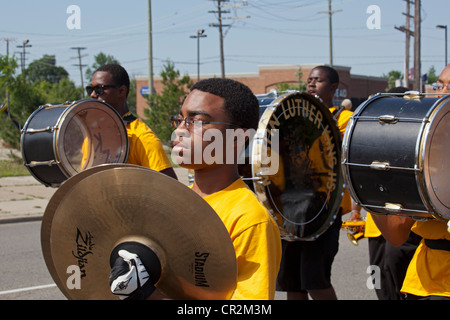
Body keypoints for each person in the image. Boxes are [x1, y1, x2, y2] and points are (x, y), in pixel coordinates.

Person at [109, 78, 282, 300]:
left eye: (196, 121)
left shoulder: (250, 219)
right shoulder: (176, 203)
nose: (180, 131)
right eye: (180, 119)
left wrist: (149, 296)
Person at [371, 65, 450, 300]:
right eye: (439, 86)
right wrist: (371, 185)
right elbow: (397, 234)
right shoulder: (421, 151)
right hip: (426, 282)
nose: (441, 93)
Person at [276, 65, 351, 300]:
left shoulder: (344, 118)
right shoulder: (295, 116)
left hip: (324, 207)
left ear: (333, 87)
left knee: (315, 280)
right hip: (292, 206)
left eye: (318, 80)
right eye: (309, 80)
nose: (311, 84)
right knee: (292, 283)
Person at [88, 64, 177, 179]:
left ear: (121, 91)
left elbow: (172, 191)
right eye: (90, 89)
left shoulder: (143, 138)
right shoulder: (91, 136)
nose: (92, 94)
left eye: (99, 89)